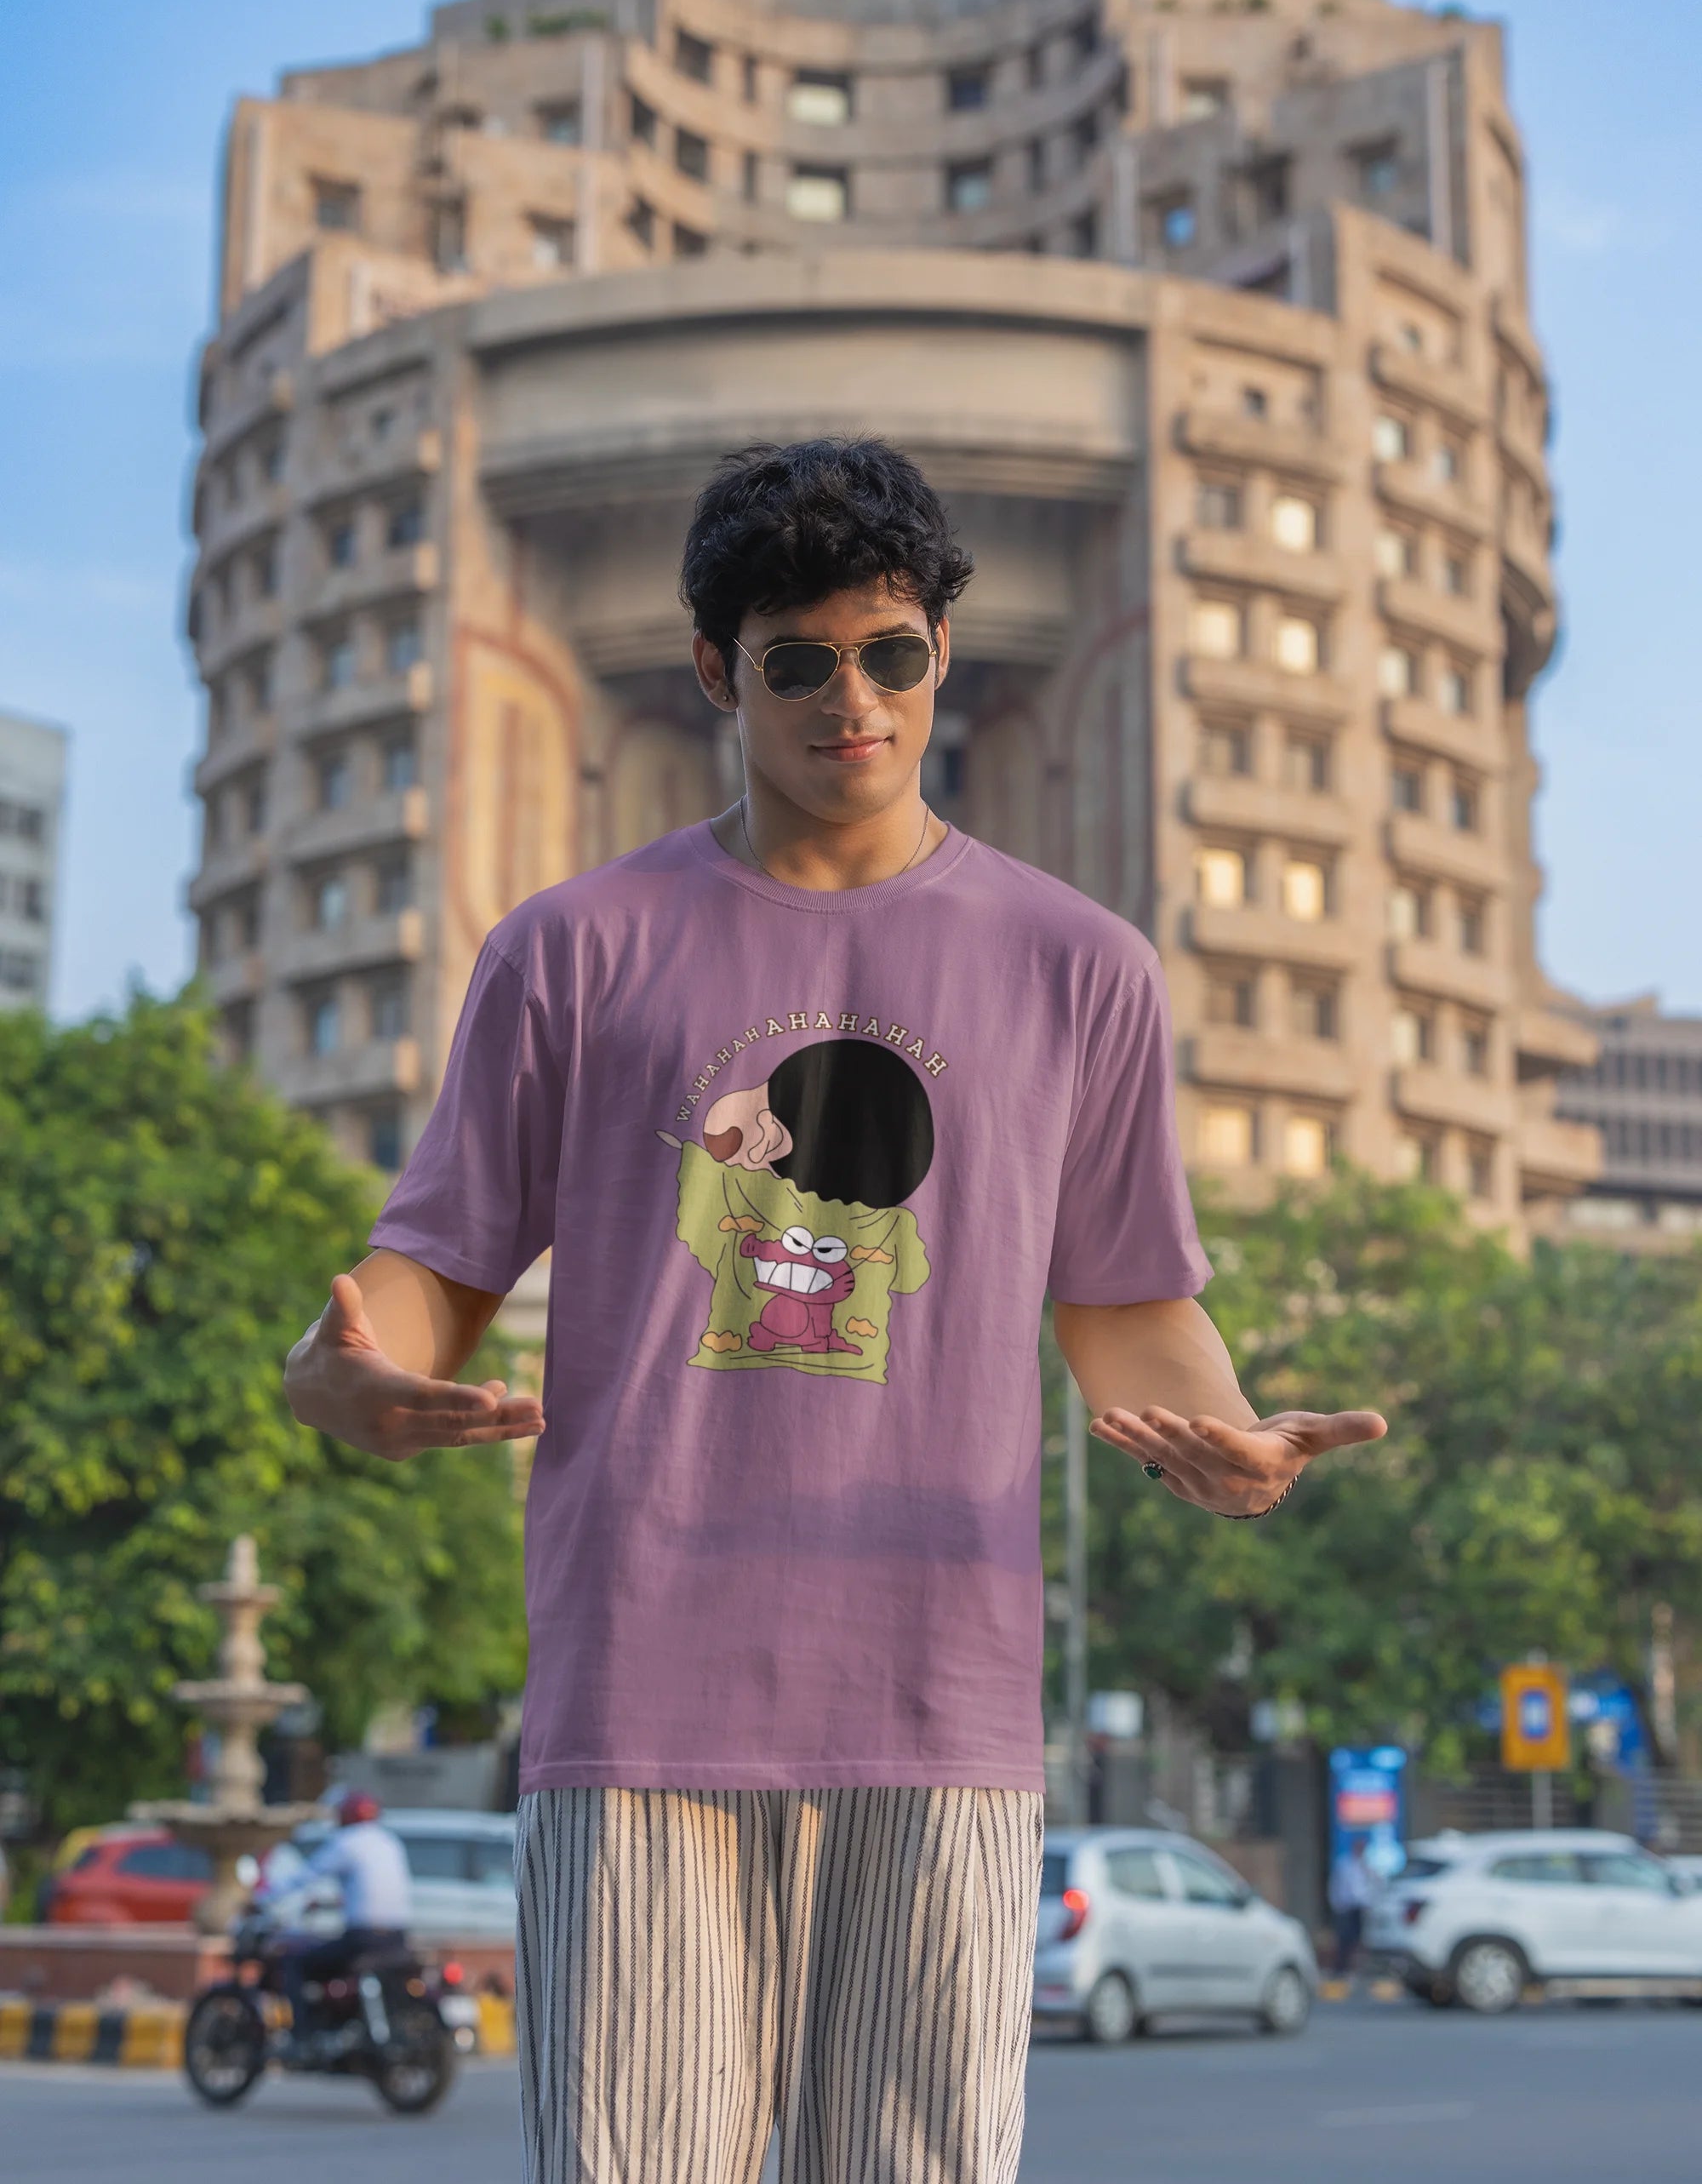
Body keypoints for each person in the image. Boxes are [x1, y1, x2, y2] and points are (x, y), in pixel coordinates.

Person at [285, 437, 1386, 2182]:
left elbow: (1125, 1304)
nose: (849, 699)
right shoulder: (572, 951)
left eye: (888, 652)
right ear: (720, 670)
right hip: (637, 1689)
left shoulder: (1078, 966)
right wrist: (345, 1374)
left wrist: (1235, 1444)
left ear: (941, 652)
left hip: (938, 1695)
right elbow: (432, 1271)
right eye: (796, 659)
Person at [277, 1791, 412, 2055]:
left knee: (295, 1962)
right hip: (397, 1936)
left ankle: (302, 2036)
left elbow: (305, 1876)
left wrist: (262, 1897)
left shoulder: (347, 1842)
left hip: (364, 1938)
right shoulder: (390, 1842)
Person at [1328, 1834, 1382, 1979]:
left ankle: (1356, 1969)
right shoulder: (1344, 1864)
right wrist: (1336, 1904)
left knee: (1359, 1939)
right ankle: (1341, 1969)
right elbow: (1336, 1885)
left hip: (1361, 1907)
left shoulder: (1366, 1865)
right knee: (1344, 1939)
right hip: (1345, 1907)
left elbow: (1375, 1884)